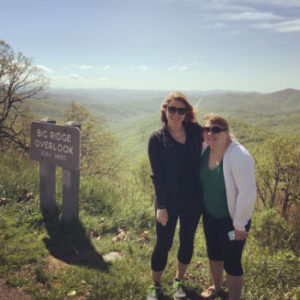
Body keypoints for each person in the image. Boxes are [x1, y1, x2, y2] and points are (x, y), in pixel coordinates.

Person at [146, 91, 203, 300]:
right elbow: (157, 176)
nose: (176, 114)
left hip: (193, 199)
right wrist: (161, 206)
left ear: (187, 112)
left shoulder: (196, 132)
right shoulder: (156, 139)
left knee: (187, 240)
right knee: (163, 243)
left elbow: (218, 138)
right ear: (165, 110)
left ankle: (179, 280)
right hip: (167, 201)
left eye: (181, 110)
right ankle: (155, 284)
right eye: (172, 109)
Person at [199, 113, 257, 300]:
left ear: (226, 132)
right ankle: (216, 288)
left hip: (233, 221)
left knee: (232, 261)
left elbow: (247, 194)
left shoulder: (239, 156)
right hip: (210, 215)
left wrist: (239, 224)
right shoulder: (205, 148)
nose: (210, 133)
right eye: (206, 129)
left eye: (216, 129)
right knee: (214, 253)